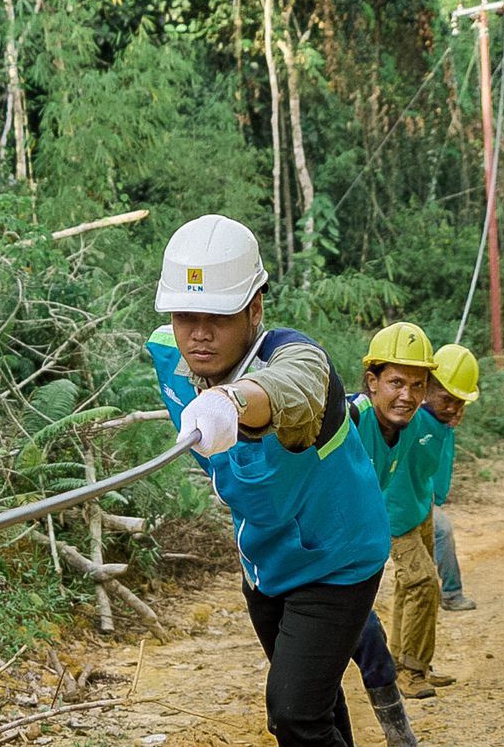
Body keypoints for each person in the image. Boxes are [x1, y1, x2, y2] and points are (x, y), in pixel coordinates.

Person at [146, 214, 390, 747]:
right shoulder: (170, 357)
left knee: (294, 713)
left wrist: (231, 402)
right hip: (265, 563)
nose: (200, 333)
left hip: (337, 558)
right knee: (315, 701)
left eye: (220, 315)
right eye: (185, 315)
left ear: (255, 308)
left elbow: (289, 387)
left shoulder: (299, 360)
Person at [345, 323, 450, 702]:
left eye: (418, 385)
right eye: (396, 383)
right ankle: (403, 674)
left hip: (366, 532)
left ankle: (406, 667)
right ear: (372, 382)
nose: (408, 395)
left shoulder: (406, 425)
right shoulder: (351, 418)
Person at [428, 344, 481, 612]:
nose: (451, 408)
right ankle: (451, 593)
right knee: (442, 530)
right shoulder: (417, 418)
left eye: (458, 402)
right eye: (446, 399)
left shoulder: (443, 422)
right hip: (409, 500)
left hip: (430, 498)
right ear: (426, 388)